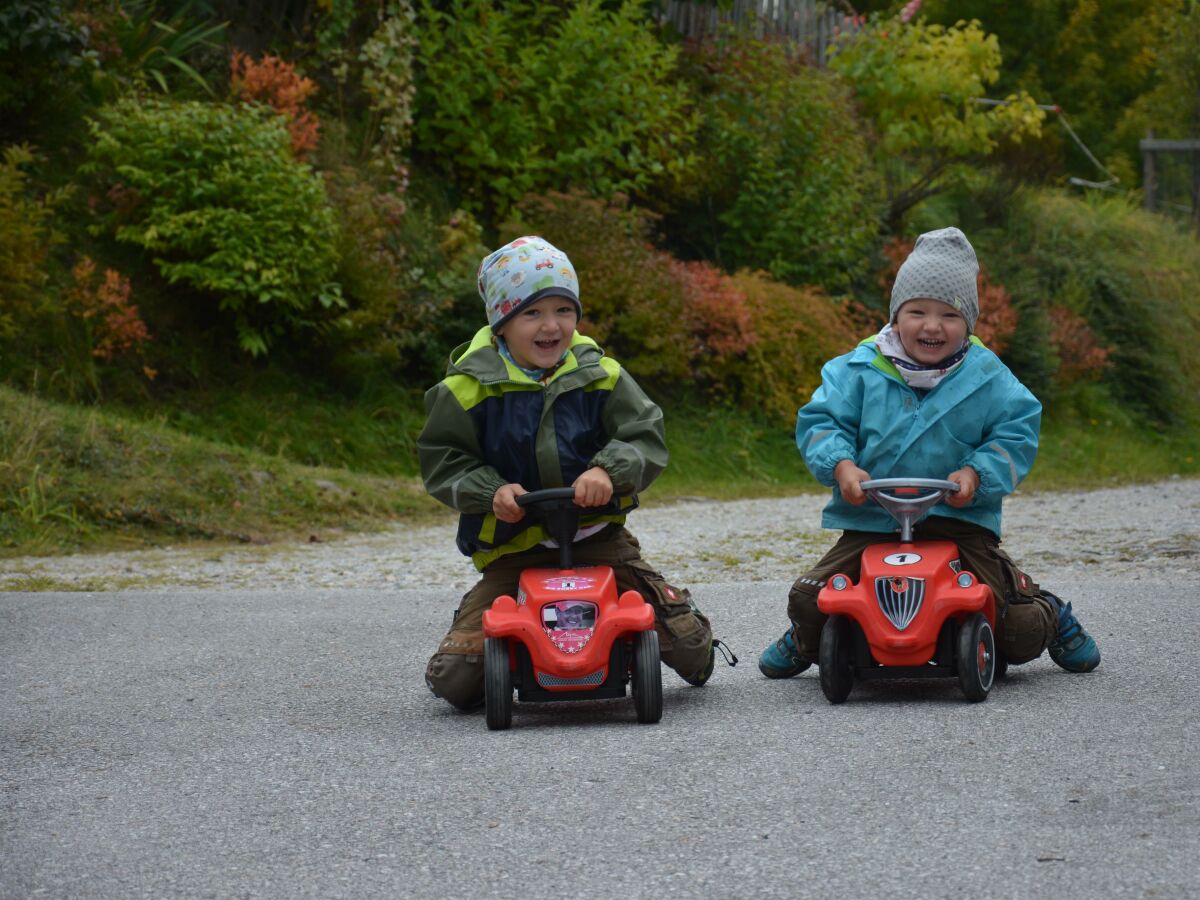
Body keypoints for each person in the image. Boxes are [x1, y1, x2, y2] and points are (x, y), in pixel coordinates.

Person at [758, 227, 1101, 680]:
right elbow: (823, 422)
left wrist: (977, 475)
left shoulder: (989, 377)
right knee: (809, 598)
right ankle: (808, 638)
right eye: (917, 311)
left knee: (1009, 631)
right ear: (896, 315)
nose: (932, 326)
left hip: (958, 523)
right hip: (873, 520)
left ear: (969, 323)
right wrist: (841, 466)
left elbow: (1015, 433)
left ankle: (1047, 611)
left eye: (949, 315)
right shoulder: (856, 370)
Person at [418, 235, 717, 709]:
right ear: (500, 323)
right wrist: (490, 490)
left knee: (687, 646)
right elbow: (443, 459)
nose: (551, 326)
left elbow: (644, 435)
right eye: (532, 313)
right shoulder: (465, 389)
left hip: (597, 539)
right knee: (454, 678)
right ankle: (496, 639)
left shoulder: (603, 375)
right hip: (515, 549)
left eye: (564, 310)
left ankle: (682, 618)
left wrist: (607, 470)